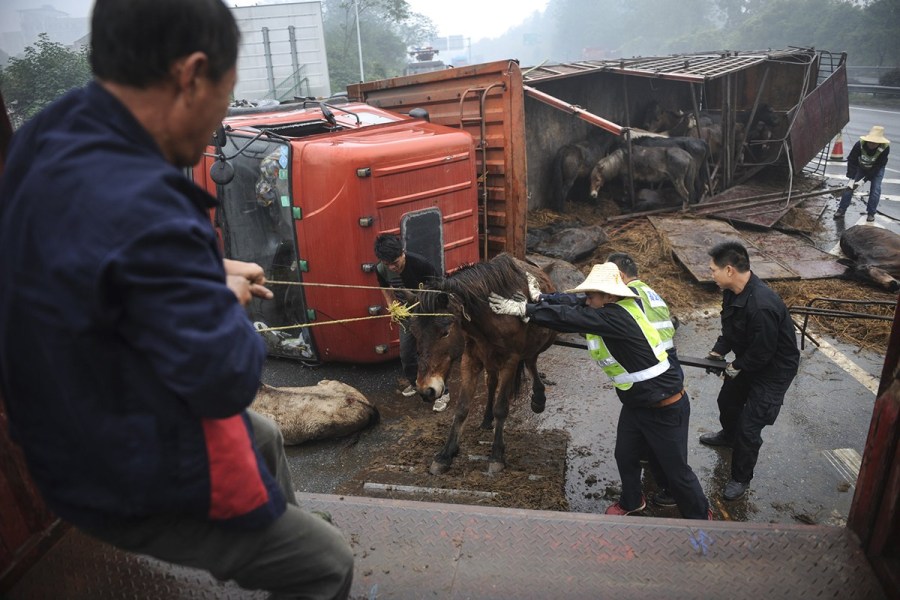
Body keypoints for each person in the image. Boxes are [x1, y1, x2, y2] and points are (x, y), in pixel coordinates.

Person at [0, 1, 353, 598]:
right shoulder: (149, 209)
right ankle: (293, 556)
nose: (220, 120)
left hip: (69, 413)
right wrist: (227, 297)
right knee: (327, 564)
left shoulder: (54, 131)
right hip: (110, 468)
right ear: (191, 74)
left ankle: (280, 533)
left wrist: (203, 272)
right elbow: (223, 381)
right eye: (226, 93)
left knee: (263, 436)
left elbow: (99, 256)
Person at [489, 263, 710, 520]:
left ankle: (703, 519)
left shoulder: (614, 317)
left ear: (609, 296)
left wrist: (525, 310)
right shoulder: (605, 306)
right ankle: (631, 501)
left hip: (664, 407)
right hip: (636, 403)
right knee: (625, 456)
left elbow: (570, 317)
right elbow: (573, 304)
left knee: (677, 473)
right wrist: (541, 299)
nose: (587, 299)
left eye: (592, 294)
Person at [700, 241, 799, 502]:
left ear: (729, 270)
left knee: (750, 426)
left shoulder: (762, 304)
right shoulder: (731, 292)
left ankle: (741, 477)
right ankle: (728, 436)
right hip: (751, 358)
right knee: (727, 401)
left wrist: (735, 367)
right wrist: (718, 351)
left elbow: (763, 352)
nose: (711, 275)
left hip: (774, 369)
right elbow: (732, 329)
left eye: (713, 270)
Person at [606, 252, 680, 509]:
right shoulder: (651, 293)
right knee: (653, 444)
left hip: (655, 379)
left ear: (621, 276)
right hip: (669, 367)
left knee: (666, 449)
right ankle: (646, 492)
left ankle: (682, 500)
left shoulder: (629, 298)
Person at [373, 233, 445, 410]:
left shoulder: (422, 264)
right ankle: (414, 382)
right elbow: (384, 287)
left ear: (402, 253)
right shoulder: (381, 269)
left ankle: (444, 392)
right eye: (387, 264)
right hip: (405, 314)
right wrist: (391, 306)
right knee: (406, 354)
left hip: (427, 315)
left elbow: (440, 290)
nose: (392, 267)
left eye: (395, 263)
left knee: (431, 353)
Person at [834, 125, 890, 222]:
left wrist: (864, 180)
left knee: (875, 190)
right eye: (871, 142)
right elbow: (852, 160)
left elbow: (878, 166)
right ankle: (841, 209)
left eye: (875, 143)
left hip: (876, 169)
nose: (872, 144)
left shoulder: (884, 148)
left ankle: (871, 213)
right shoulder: (859, 145)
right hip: (861, 167)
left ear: (879, 143)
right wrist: (852, 178)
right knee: (849, 188)